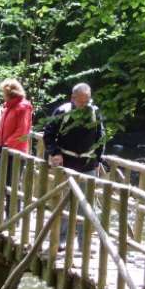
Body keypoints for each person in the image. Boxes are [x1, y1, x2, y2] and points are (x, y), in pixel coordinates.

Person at [44, 83, 106, 248]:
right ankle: (60, 240)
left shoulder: (94, 112)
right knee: (65, 202)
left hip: (88, 165)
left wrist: (99, 159)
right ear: (73, 98)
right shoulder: (63, 112)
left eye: (87, 100)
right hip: (67, 164)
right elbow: (48, 134)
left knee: (86, 205)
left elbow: (101, 137)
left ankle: (83, 244)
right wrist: (55, 153)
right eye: (82, 101)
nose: (85, 104)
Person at [0, 79, 32, 214]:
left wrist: (6, 144)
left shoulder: (23, 107)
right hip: (6, 149)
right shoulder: (9, 107)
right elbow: (7, 127)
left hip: (17, 150)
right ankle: (9, 212)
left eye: (4, 93)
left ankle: (13, 214)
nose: (3, 95)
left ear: (11, 93)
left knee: (13, 181)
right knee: (6, 180)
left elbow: (22, 131)